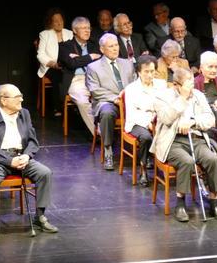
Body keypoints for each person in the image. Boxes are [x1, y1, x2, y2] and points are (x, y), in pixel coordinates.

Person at [0, 84, 58, 237]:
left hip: (21, 157)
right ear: (3, 100)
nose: (21, 99)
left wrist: (27, 156)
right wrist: (10, 161)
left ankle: (40, 216)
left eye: (20, 95)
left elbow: (33, 142)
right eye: (17, 97)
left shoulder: (24, 114)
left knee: (45, 173)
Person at [152, 68, 217, 222]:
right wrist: (183, 99)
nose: (191, 89)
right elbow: (166, 119)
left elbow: (210, 119)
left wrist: (192, 121)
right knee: (187, 162)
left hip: (195, 138)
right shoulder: (162, 97)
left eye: (192, 84)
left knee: (212, 159)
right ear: (176, 85)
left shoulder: (198, 95)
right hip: (172, 141)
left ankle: (214, 201)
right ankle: (180, 203)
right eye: (187, 85)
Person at [85, 33, 136, 170]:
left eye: (116, 45)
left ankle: (145, 153)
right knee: (107, 113)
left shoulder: (128, 64)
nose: (115, 49)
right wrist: (115, 98)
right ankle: (108, 151)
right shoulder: (93, 67)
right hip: (107, 102)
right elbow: (95, 90)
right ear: (102, 49)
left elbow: (135, 84)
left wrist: (127, 97)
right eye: (111, 46)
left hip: (129, 101)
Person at [123, 55, 165, 186]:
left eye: (152, 71)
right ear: (139, 72)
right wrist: (147, 123)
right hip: (138, 122)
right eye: (146, 71)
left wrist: (158, 121)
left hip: (158, 120)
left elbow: (166, 105)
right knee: (146, 137)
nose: (150, 75)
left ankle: (164, 166)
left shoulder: (161, 85)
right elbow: (132, 113)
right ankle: (143, 169)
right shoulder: (131, 89)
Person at [57, 17, 101, 136]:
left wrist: (78, 59)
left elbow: (101, 61)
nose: (87, 31)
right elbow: (72, 64)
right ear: (74, 30)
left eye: (88, 28)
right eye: (82, 28)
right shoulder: (65, 46)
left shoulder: (94, 44)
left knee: (106, 98)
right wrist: (91, 57)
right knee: (82, 101)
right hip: (76, 80)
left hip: (96, 79)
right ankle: (99, 135)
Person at [36, 8, 73, 116]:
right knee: (59, 76)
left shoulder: (70, 33)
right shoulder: (45, 34)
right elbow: (40, 54)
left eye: (60, 19)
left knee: (73, 74)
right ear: (50, 22)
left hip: (68, 65)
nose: (59, 22)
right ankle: (58, 107)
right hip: (51, 66)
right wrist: (52, 63)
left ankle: (73, 105)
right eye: (55, 20)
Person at [194, 51, 217, 120]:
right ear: (201, 68)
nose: (214, 70)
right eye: (210, 67)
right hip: (203, 117)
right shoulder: (194, 83)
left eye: (216, 67)